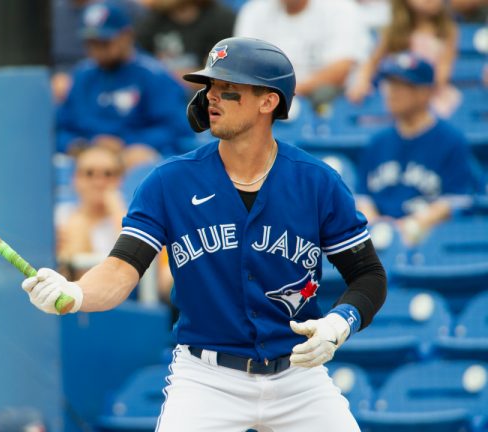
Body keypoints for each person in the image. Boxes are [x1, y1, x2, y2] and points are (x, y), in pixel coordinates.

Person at [22, 37, 387, 431]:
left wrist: (338, 324)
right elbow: (120, 269)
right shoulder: (169, 181)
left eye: (228, 90)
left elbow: (368, 276)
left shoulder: (317, 182)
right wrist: (75, 294)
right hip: (207, 379)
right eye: (209, 87)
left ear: (269, 102)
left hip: (298, 375)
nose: (211, 98)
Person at [355, 52, 481, 245]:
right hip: (380, 241)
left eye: (402, 85)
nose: (392, 92)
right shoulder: (377, 142)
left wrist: (410, 225)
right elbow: (363, 197)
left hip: (429, 240)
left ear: (425, 92)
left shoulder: (451, 140)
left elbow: (457, 200)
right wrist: (376, 225)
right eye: (390, 84)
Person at [56, 1, 196, 168]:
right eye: (91, 43)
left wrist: (127, 143)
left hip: (134, 162)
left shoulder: (153, 74)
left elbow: (176, 130)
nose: (97, 49)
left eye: (104, 42)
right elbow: (60, 129)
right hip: (88, 160)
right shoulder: (82, 76)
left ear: (126, 36)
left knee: (141, 158)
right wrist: (78, 145)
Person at [235, 0, 372, 103]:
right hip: (268, 100)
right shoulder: (254, 11)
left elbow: (340, 69)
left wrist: (287, 92)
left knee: (324, 93)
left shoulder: (341, 7)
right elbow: (243, 66)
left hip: (327, 101)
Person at [346, 0, 460, 117]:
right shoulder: (393, 31)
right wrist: (362, 82)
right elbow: (372, 63)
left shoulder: (447, 31)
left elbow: (444, 69)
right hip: (397, 88)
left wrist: (426, 91)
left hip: (429, 91)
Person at [56, 145, 127, 279]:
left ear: (119, 180)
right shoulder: (59, 216)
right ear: (75, 179)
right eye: (89, 173)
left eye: (108, 174)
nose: (99, 182)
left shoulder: (133, 219)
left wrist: (117, 210)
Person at [135, 0, 236, 83]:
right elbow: (140, 62)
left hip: (204, 93)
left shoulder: (221, 18)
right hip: (162, 89)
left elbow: (219, 75)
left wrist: (172, 75)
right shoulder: (154, 19)